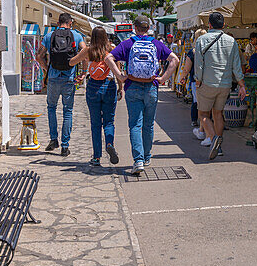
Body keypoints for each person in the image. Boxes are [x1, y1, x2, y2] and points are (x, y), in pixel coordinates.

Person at [106, 15, 179, 175]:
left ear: (134, 27)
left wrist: (120, 76)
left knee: (135, 125)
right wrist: (163, 79)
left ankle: (138, 160)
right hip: (151, 87)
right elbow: (175, 59)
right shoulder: (157, 44)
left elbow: (108, 57)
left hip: (132, 87)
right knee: (149, 124)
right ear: (148, 28)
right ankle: (146, 157)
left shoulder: (128, 44)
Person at [194, 12, 247, 160]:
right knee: (218, 114)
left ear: (209, 25)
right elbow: (237, 66)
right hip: (225, 84)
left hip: (207, 83)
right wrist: (241, 85)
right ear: (223, 25)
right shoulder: (231, 41)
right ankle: (219, 145)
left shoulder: (201, 40)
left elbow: (199, 64)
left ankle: (213, 140)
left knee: (203, 115)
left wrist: (198, 80)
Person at [68, 26, 121, 167]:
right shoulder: (112, 50)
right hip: (109, 86)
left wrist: (81, 57)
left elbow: (71, 62)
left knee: (96, 123)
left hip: (93, 87)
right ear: (105, 37)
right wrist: (120, 88)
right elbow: (118, 70)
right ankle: (109, 143)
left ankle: (97, 157)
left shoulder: (88, 50)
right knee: (109, 122)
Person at [38, 13, 84, 157]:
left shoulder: (49, 35)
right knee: (67, 111)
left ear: (58, 22)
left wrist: (47, 69)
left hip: (53, 77)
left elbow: (39, 56)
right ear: (70, 23)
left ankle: (53, 140)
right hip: (69, 78)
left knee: (51, 108)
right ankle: (65, 146)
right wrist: (82, 73)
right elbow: (84, 52)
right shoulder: (76, 35)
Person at [189, 29, 207, 140]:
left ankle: (198, 123)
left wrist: (182, 76)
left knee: (197, 102)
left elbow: (186, 67)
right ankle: (204, 126)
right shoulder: (209, 51)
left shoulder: (193, 51)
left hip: (195, 80)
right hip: (208, 80)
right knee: (207, 104)